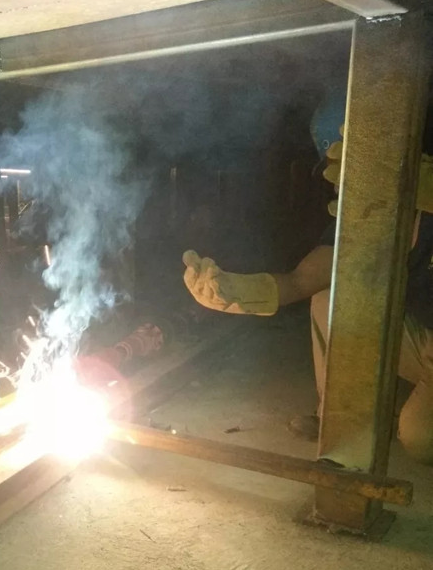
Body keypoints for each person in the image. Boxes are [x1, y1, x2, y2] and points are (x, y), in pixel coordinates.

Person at [181, 96, 433, 464]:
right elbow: (301, 281)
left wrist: (421, 188)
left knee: (421, 438)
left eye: (350, 165)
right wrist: (234, 292)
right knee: (329, 299)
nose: (343, 182)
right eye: (336, 169)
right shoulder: (363, 219)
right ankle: (339, 416)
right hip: (423, 340)